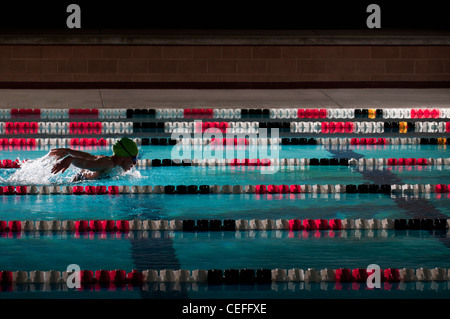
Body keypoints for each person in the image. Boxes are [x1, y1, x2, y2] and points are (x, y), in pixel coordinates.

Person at [50, 137, 139, 181]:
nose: (135, 163)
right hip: (79, 181)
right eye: (134, 158)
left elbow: (88, 157)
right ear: (123, 157)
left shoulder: (107, 160)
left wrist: (68, 151)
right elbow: (85, 164)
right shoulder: (107, 163)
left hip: (80, 179)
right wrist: (70, 159)